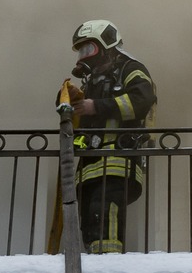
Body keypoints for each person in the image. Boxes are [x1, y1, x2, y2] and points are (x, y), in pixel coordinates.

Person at [67, 20, 157, 255]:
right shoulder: (92, 82)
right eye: (80, 51)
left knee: (106, 213)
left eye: (88, 49)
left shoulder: (130, 69)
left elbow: (141, 101)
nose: (84, 56)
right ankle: (92, 262)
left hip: (118, 160)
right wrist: (70, 108)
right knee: (90, 222)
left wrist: (95, 106)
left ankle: (108, 263)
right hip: (90, 167)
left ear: (106, 45)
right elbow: (83, 128)